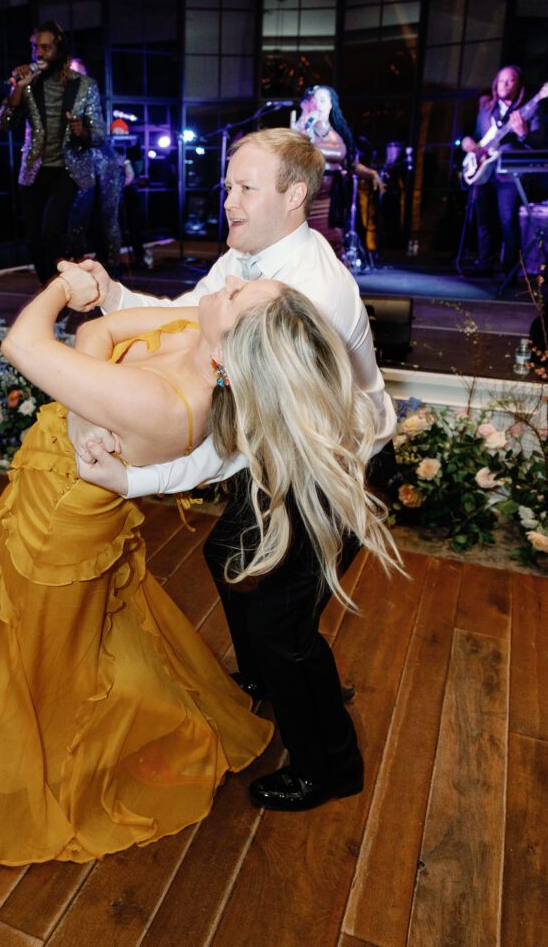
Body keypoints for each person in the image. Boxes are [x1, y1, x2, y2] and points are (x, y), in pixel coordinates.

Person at [0, 263, 398, 864]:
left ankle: (328, 765)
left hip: (290, 498)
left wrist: (64, 299)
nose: (227, 286)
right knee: (196, 585)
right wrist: (91, 419)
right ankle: (249, 692)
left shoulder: (203, 387)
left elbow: (27, 345)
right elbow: (105, 344)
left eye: (236, 296)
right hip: (64, 480)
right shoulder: (212, 339)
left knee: (276, 633)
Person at [64, 127, 399, 812]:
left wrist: (137, 478)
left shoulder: (308, 292)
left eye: (245, 187)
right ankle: (272, 683)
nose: (228, 200)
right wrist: (114, 293)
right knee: (229, 553)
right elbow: (193, 322)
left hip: (330, 461)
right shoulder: (247, 258)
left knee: (282, 622)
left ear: (294, 195)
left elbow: (232, 440)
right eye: (227, 185)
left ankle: (329, 763)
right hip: (275, 442)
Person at [0, 21, 106, 285]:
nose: (39, 54)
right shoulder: (28, 85)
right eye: (35, 48)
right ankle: (50, 290)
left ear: (59, 48)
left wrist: (82, 132)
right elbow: (4, 123)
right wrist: (18, 88)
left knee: (51, 232)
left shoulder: (84, 85)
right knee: (34, 238)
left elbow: (100, 135)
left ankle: (61, 289)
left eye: (45, 47)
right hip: (34, 169)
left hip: (68, 171)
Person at [461, 65, 544, 279]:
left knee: (507, 221)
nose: (505, 84)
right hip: (483, 173)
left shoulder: (530, 109)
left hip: (509, 175)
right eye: (501, 80)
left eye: (511, 80)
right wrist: (467, 143)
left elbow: (541, 143)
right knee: (484, 220)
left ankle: (510, 269)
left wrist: (524, 134)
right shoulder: (486, 111)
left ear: (519, 85)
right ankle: (485, 264)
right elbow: (477, 138)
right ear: (495, 85)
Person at [293, 85, 384, 256]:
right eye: (314, 101)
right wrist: (305, 120)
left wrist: (372, 174)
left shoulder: (339, 135)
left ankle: (336, 281)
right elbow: (290, 154)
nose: (318, 104)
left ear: (331, 104)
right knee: (302, 247)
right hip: (305, 200)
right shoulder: (303, 129)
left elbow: (351, 164)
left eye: (322, 100)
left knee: (332, 244)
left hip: (329, 202)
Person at [67, 58, 125, 275]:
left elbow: (98, 134)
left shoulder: (87, 96)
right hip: (79, 162)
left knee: (108, 215)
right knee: (77, 213)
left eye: (76, 73)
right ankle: (76, 261)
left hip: (102, 162)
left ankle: (111, 264)